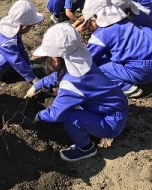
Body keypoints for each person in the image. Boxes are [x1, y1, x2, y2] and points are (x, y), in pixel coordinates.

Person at [24, 23, 128, 162]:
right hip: (117, 108)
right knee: (74, 107)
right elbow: (60, 75)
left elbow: (56, 114)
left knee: (69, 116)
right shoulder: (84, 62)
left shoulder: (72, 85)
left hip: (111, 124)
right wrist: (37, 85)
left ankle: (85, 148)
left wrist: (38, 116)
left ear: (54, 60)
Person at [79, 0, 152, 98]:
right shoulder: (127, 23)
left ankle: (128, 88)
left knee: (98, 68)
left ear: (95, 18)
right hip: (147, 61)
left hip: (141, 72)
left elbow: (89, 59)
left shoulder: (100, 35)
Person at [0, 0, 44, 84]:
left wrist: (28, 65)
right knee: (8, 58)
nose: (31, 28)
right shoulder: (6, 41)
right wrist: (32, 78)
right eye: (31, 26)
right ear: (24, 27)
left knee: (15, 52)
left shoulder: (12, 28)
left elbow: (20, 49)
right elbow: (16, 60)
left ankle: (25, 67)